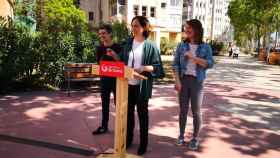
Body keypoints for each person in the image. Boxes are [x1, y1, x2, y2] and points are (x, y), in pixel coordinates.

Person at [108, 16, 164, 155]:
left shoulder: (151, 46)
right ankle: (128, 140)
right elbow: (122, 60)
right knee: (128, 116)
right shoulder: (128, 43)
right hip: (127, 85)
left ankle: (143, 143)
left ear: (144, 27)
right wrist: (114, 55)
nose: (133, 28)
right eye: (132, 25)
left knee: (142, 115)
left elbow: (158, 68)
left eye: (136, 26)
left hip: (142, 87)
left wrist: (144, 67)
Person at [172, 19, 214, 150]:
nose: (186, 30)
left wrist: (193, 58)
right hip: (183, 81)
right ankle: (181, 135)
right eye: (185, 28)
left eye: (189, 27)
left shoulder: (205, 47)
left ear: (197, 29)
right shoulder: (181, 46)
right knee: (182, 111)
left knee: (196, 112)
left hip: (197, 82)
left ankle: (195, 138)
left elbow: (210, 64)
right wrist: (177, 81)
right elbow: (175, 64)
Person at [92, 24, 122, 135]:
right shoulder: (99, 48)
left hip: (117, 81)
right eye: (100, 34)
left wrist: (114, 56)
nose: (102, 36)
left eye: (104, 33)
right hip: (104, 80)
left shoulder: (118, 47)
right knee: (105, 104)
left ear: (110, 34)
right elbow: (98, 65)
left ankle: (120, 127)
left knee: (118, 104)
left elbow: (123, 64)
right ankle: (104, 126)